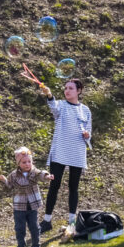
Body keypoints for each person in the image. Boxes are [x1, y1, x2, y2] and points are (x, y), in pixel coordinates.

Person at [39, 79, 92, 233]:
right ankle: (47, 221)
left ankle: (72, 222)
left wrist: (87, 135)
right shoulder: (61, 105)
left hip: (77, 152)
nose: (67, 91)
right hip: (60, 151)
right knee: (54, 186)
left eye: (71, 88)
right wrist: (49, 95)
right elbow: (53, 107)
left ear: (79, 91)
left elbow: (88, 134)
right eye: (65, 88)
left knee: (73, 187)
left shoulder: (86, 110)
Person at [0, 147, 54, 247]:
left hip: (32, 206)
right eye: (24, 162)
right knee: (20, 228)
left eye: (29, 161)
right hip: (19, 207)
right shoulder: (14, 175)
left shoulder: (34, 172)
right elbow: (9, 186)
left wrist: (47, 176)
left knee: (35, 228)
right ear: (18, 163)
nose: (27, 164)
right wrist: (4, 181)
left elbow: (41, 174)